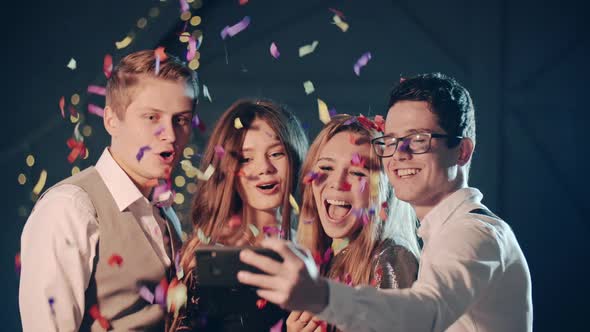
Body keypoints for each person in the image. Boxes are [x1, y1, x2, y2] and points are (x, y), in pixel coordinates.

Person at [238, 73, 533, 332]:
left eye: (418, 139)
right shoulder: (440, 234)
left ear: (462, 152)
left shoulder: (471, 232)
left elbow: (425, 314)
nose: (398, 154)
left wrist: (320, 296)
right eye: (391, 140)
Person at [18, 49, 197, 331]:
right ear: (111, 120)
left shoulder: (164, 210)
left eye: (181, 120)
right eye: (152, 118)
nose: (171, 135)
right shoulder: (69, 208)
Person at [170, 99, 308, 331]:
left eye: (276, 153)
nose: (264, 168)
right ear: (227, 170)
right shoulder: (212, 260)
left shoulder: (307, 247)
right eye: (246, 158)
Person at [287, 114, 419, 332]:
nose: (337, 184)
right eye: (326, 168)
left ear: (384, 192)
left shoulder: (390, 259)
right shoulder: (321, 262)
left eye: (358, 172)